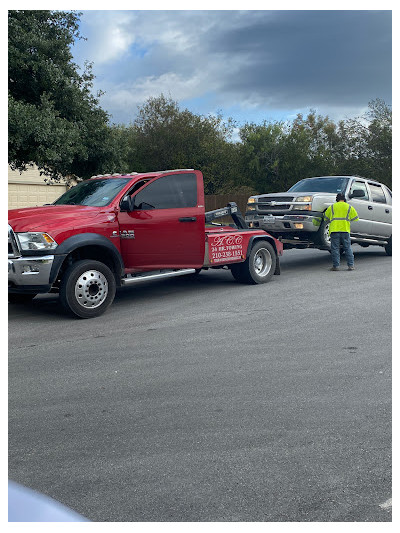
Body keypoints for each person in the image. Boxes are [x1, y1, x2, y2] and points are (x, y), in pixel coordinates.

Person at [324, 192, 359, 271]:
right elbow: (355, 218)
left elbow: (325, 217)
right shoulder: (349, 207)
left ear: (337, 199)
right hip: (345, 230)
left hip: (334, 230)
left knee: (335, 249)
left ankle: (336, 266)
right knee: (347, 248)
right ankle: (351, 266)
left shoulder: (332, 207)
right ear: (344, 199)